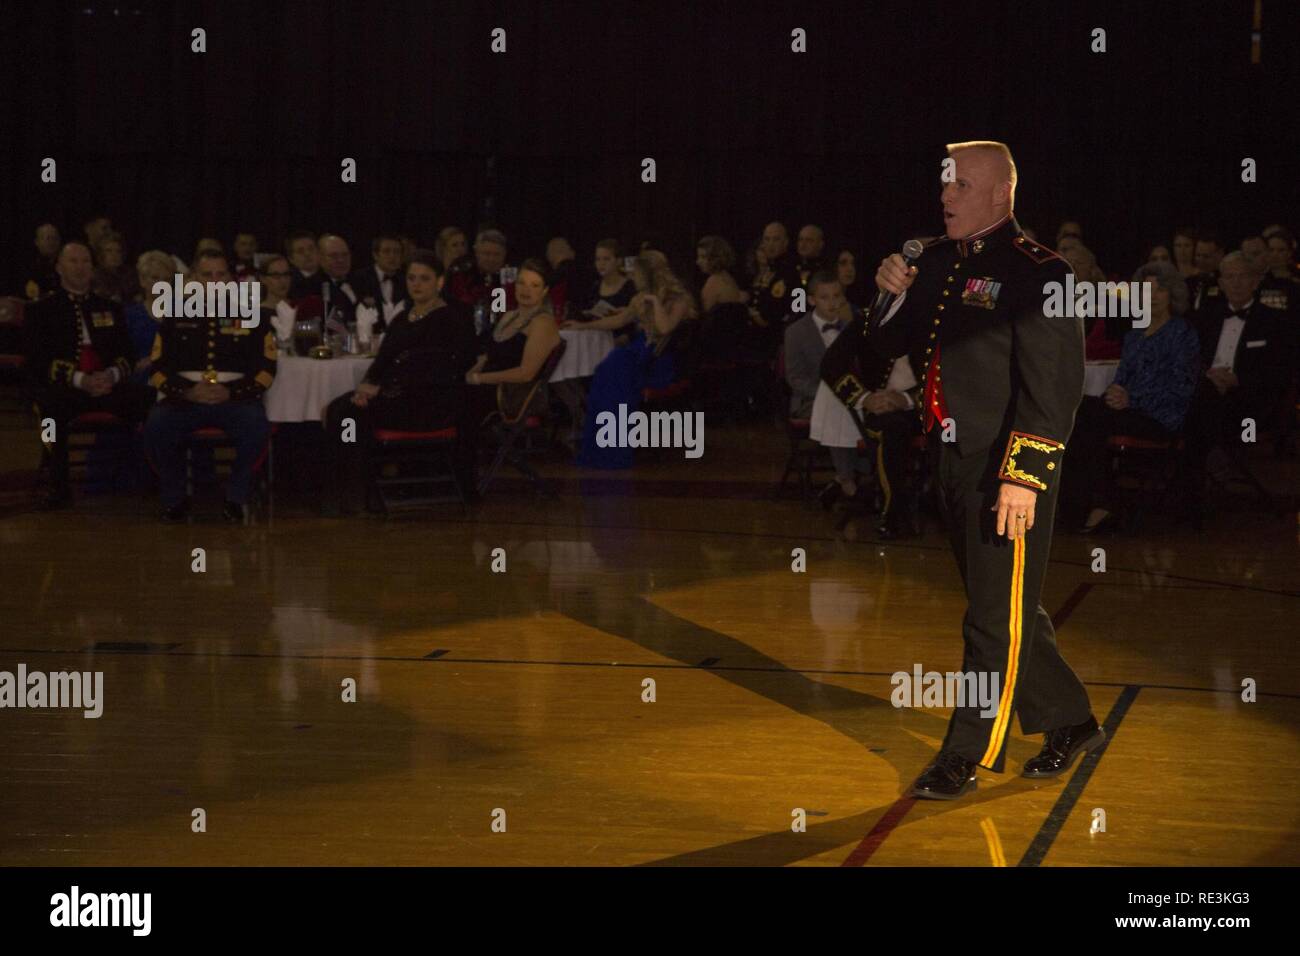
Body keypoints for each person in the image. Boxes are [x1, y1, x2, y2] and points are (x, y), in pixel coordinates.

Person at [868, 140, 1101, 800]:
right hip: (951, 459)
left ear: (1002, 194)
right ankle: (1071, 720)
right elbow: (881, 348)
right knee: (1003, 609)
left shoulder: (1041, 273)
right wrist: (886, 297)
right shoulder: (938, 262)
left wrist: (1022, 477)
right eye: (944, 184)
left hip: (1008, 470)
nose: (946, 196)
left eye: (961, 186)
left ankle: (965, 753)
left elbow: (1053, 387)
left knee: (989, 622)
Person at [322, 251, 477, 514]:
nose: (416, 284)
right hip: (395, 396)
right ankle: (348, 489)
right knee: (341, 409)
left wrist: (378, 390)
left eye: (424, 279)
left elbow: (438, 367)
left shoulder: (450, 319)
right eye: (412, 278)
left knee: (349, 413)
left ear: (439, 283)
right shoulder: (402, 318)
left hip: (428, 401)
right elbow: (383, 360)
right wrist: (366, 385)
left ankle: (355, 492)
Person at [144, 250, 277, 523]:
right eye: (207, 275)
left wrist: (232, 391)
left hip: (235, 399)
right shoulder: (174, 313)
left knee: (257, 426)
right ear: (193, 278)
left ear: (230, 279)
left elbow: (267, 369)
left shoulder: (251, 314)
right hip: (185, 398)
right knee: (157, 425)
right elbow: (157, 368)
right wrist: (187, 391)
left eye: (221, 275)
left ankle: (236, 497)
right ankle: (174, 498)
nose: (215, 281)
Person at [1065, 261, 1200, 532]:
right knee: (1078, 413)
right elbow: (1122, 378)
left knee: (1092, 420)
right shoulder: (1134, 335)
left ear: (1171, 294)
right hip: (1127, 410)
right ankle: (1078, 504)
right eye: (1145, 291)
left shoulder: (1182, 333)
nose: (1151, 297)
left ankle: (1101, 504)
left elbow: (1180, 386)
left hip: (1160, 415)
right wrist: (1116, 392)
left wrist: (1131, 398)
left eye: (1159, 291)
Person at [24, 242, 153, 509]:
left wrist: (112, 375)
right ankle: (57, 484)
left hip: (108, 386)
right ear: (59, 267)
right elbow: (38, 361)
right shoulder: (42, 309)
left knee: (150, 401)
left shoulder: (109, 308)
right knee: (49, 414)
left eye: (85, 262)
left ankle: (150, 478)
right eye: (73, 261)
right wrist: (81, 379)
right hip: (66, 388)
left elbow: (126, 354)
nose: (80, 267)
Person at [576, 250, 696, 469]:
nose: (633, 278)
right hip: (637, 350)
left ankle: (616, 445)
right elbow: (618, 321)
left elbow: (664, 327)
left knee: (617, 371)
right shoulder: (639, 298)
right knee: (606, 371)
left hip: (658, 359)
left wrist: (655, 302)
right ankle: (602, 445)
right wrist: (583, 326)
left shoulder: (678, 299)